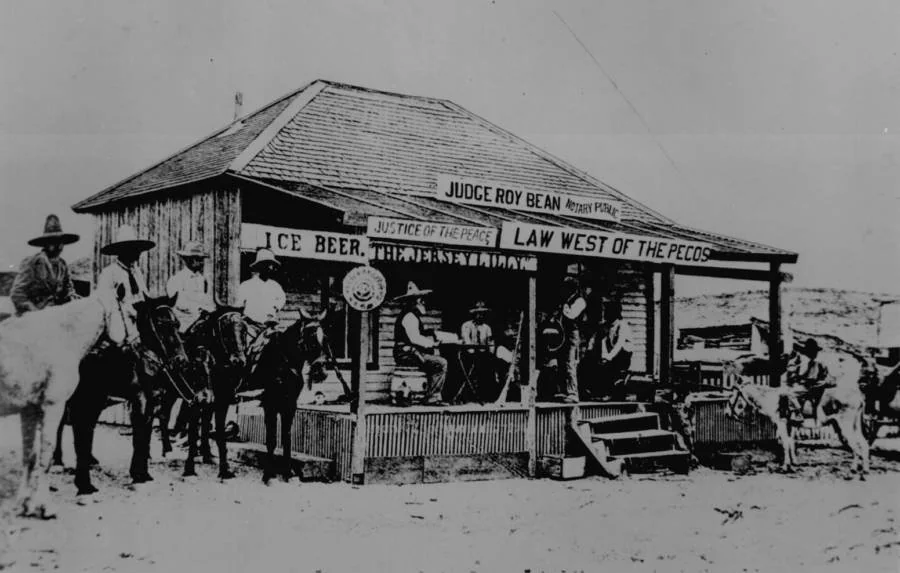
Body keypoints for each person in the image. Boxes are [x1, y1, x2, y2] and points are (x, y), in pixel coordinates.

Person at [10, 214, 80, 315]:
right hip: (31, 318)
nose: (59, 247)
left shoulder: (62, 265)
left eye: (61, 243)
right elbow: (17, 294)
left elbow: (68, 290)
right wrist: (35, 313)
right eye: (54, 242)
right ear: (46, 244)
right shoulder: (32, 263)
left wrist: (73, 298)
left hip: (54, 316)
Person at [393, 282, 447, 406]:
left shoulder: (411, 316)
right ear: (415, 301)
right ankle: (432, 397)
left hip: (409, 352)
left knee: (433, 360)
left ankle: (426, 394)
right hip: (406, 354)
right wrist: (432, 344)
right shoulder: (409, 316)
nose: (424, 303)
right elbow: (415, 338)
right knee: (441, 363)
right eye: (421, 300)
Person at [585, 300, 635, 400]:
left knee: (609, 366)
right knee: (590, 363)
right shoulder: (605, 326)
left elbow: (619, 344)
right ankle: (594, 391)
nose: (605, 313)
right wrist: (590, 349)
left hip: (622, 356)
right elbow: (596, 339)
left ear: (615, 312)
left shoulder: (622, 325)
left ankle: (609, 393)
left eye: (608, 311)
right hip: (610, 355)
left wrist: (608, 357)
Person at [96, 225, 154, 310]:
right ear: (123, 251)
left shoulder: (136, 272)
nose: (138, 253)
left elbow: (145, 296)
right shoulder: (109, 273)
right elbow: (103, 302)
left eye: (138, 249)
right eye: (134, 249)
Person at [236, 248, 286, 346]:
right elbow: (239, 305)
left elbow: (282, 298)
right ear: (260, 266)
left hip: (270, 327)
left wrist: (275, 308)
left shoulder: (275, 286)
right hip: (251, 327)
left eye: (271, 265)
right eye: (267, 264)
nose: (270, 268)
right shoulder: (246, 285)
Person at [166, 241, 215, 333]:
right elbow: (178, 303)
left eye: (202, 259)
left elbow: (207, 300)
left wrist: (210, 309)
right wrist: (199, 309)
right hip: (185, 323)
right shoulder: (177, 279)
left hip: (203, 320)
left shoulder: (202, 280)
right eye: (198, 259)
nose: (201, 262)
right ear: (187, 259)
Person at [785, 338, 831, 423]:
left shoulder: (816, 363)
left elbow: (811, 378)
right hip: (815, 386)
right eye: (814, 351)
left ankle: (798, 414)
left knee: (791, 394)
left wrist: (800, 379)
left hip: (812, 387)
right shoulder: (814, 361)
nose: (815, 353)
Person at [557, 275, 587, 403]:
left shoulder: (580, 301)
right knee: (562, 362)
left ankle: (573, 393)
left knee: (570, 362)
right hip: (564, 333)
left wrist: (564, 308)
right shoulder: (568, 299)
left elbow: (571, 315)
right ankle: (564, 390)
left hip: (572, 333)